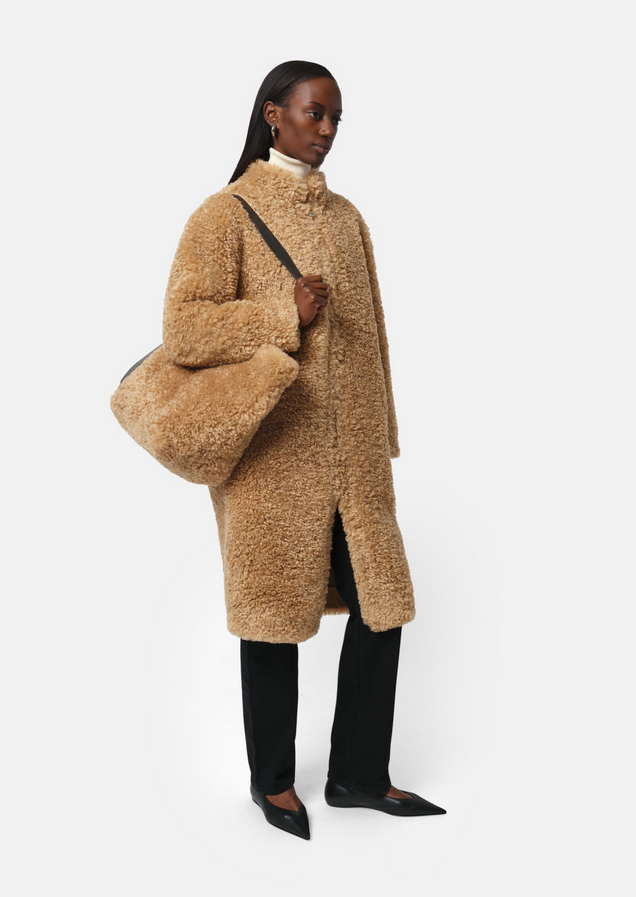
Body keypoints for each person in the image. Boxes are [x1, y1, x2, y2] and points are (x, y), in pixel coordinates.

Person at [161, 60, 446, 839]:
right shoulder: (224, 214)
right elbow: (183, 328)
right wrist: (280, 312)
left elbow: (372, 339)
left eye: (335, 118)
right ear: (272, 115)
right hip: (272, 458)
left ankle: (358, 774)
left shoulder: (348, 218)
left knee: (383, 605)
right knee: (270, 618)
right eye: (314, 113)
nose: (326, 130)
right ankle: (273, 782)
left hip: (356, 458)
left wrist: (383, 435)